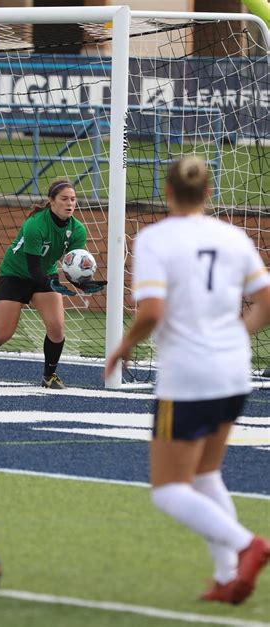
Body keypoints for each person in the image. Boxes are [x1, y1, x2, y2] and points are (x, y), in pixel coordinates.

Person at [104, 156, 270, 604]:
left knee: (169, 491)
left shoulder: (155, 239)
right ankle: (227, 576)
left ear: (168, 191)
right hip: (234, 370)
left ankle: (246, 545)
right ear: (209, 193)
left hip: (189, 374)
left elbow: (153, 311)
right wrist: (237, 332)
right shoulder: (232, 236)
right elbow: (266, 299)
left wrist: (123, 347)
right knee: (205, 472)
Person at [0, 179, 107, 389]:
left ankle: (49, 375)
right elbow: (33, 269)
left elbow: (70, 266)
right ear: (52, 201)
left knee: (57, 329)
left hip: (45, 274)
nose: (70, 203)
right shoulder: (35, 224)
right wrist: (53, 284)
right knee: (3, 333)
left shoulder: (78, 230)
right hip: (15, 274)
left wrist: (83, 284)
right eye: (64, 199)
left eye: (73, 199)